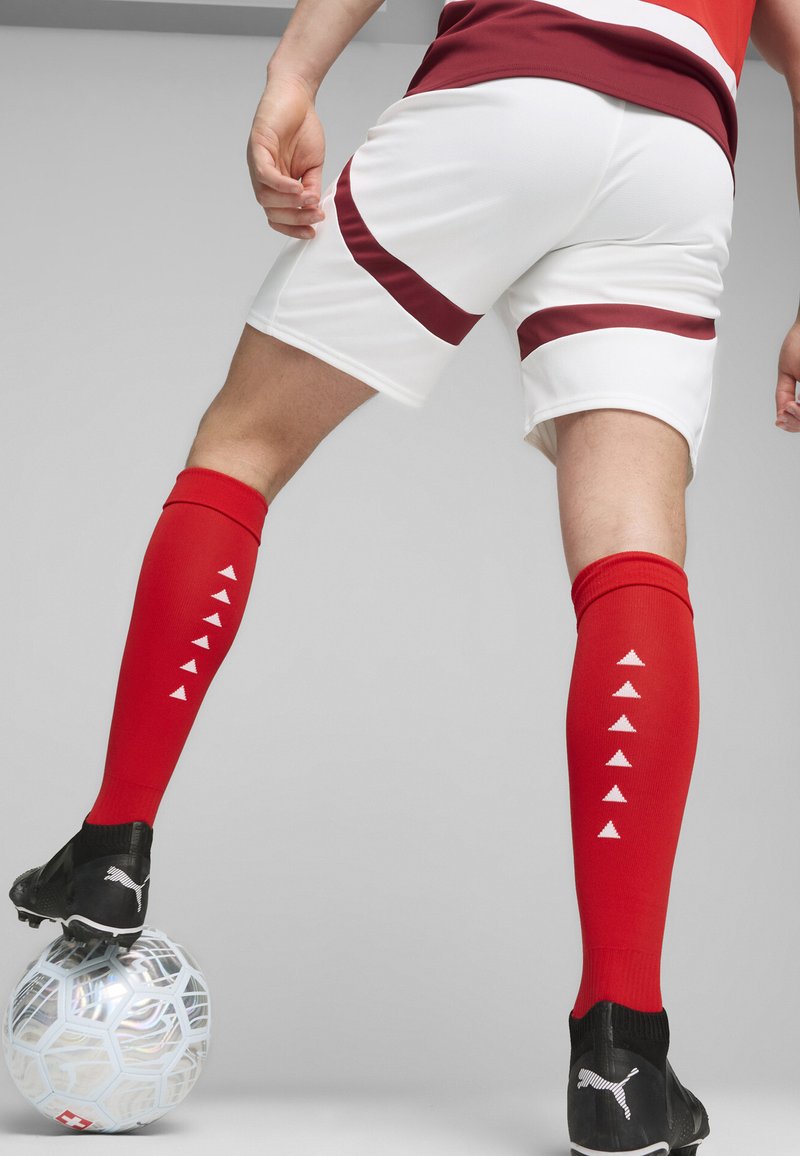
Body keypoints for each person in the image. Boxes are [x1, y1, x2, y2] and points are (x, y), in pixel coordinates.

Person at [9, 0, 800, 1151]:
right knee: (632, 551)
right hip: (675, 149)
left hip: (512, 83)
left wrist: (293, 75)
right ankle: (621, 1050)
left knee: (242, 445)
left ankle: (112, 844)